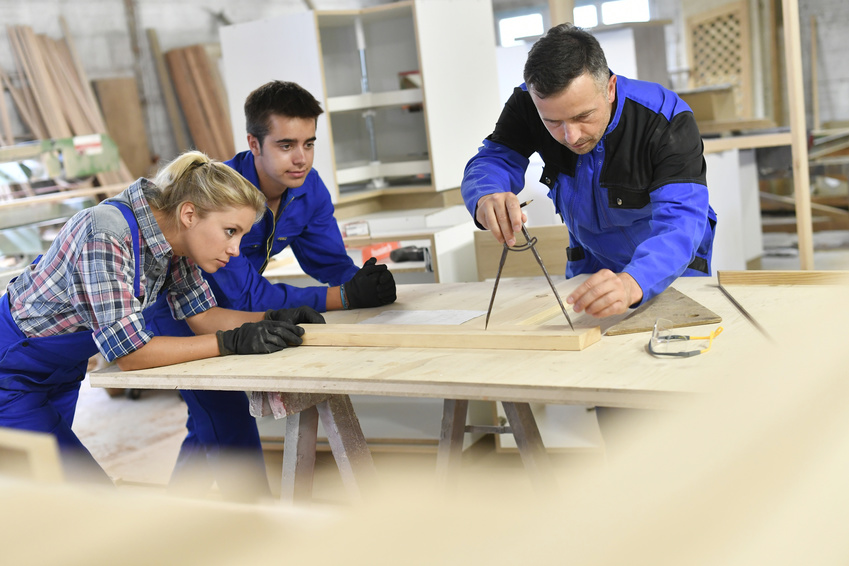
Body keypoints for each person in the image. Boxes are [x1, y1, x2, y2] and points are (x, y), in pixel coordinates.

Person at [0, 151, 325, 486]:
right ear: (189, 214)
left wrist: (271, 318)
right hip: (11, 372)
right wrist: (229, 343)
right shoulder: (106, 234)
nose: (235, 249)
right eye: (230, 231)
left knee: (45, 494)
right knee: (84, 498)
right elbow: (131, 355)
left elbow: (203, 316)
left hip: (60, 371)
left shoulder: (174, 244)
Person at [146, 80, 396, 497]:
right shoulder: (222, 195)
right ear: (254, 143)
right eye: (285, 145)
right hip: (176, 313)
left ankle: (173, 512)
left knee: (206, 422)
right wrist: (342, 298)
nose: (301, 159)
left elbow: (330, 264)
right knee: (226, 417)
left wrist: (364, 283)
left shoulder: (308, 188)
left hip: (227, 311)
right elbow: (247, 297)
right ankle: (255, 525)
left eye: (309, 143)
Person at [462, 23, 716, 317]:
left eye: (583, 116)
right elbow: (494, 159)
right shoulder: (528, 104)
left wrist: (635, 282)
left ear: (609, 88)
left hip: (668, 265)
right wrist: (486, 195)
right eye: (553, 123)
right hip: (590, 262)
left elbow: (681, 221)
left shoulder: (665, 119)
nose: (571, 137)